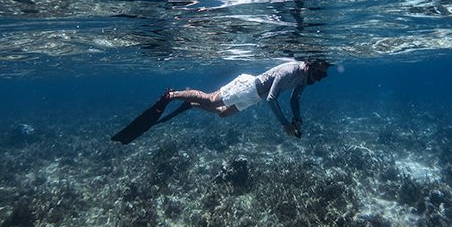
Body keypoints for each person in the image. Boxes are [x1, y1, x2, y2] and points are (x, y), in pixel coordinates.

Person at [111, 60, 331, 144]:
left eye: (323, 78)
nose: (319, 80)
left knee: (222, 114)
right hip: (248, 87)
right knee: (211, 99)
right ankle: (173, 95)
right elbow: (272, 98)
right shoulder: (290, 70)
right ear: (311, 65)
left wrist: (297, 119)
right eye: (320, 74)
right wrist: (285, 124)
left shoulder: (304, 78)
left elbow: (295, 98)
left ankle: (192, 104)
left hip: (254, 97)